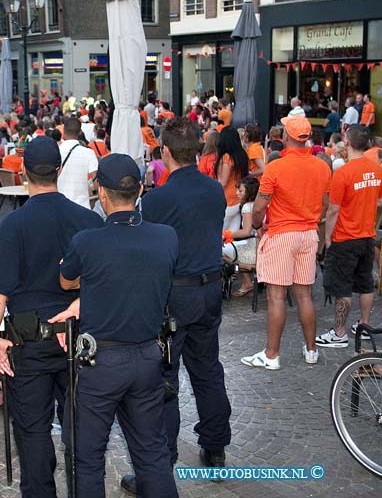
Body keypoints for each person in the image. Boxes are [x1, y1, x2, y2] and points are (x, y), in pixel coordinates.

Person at [50, 154, 178, 498]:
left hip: (101, 363)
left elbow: (66, 281)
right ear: (139, 190)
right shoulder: (166, 237)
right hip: (148, 356)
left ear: (101, 192)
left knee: (89, 457)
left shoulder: (88, 241)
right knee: (152, 453)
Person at [0, 136, 103, 497]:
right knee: (80, 431)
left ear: (23, 172)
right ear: (61, 171)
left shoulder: (14, 226)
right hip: (79, 341)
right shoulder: (88, 220)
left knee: (33, 434)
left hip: (30, 343)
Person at [122, 118, 231, 495]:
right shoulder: (215, 191)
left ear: (165, 152)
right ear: (198, 150)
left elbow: (144, 251)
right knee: (207, 370)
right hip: (210, 289)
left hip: (174, 297)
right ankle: (215, 446)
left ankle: (160, 464)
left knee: (163, 381)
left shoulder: (156, 200)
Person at [242, 115, 331, 370]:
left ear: (287, 137)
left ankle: (272, 355)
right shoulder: (322, 167)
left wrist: (258, 225)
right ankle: (311, 350)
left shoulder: (277, 167)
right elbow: (325, 206)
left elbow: (259, 207)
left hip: (282, 233)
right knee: (304, 294)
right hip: (308, 233)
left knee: (276, 296)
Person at [316, 127, 382, 348]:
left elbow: (333, 210)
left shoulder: (343, 173)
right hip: (367, 235)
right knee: (366, 283)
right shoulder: (377, 170)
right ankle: (364, 325)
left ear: (347, 142)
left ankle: (339, 333)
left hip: (345, 237)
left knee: (343, 287)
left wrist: (327, 237)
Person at [222, 176, 259, 297]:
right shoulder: (257, 205)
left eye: (240, 191)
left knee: (219, 251)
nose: (237, 193)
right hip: (257, 245)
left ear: (249, 192)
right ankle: (247, 280)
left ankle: (247, 275)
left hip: (251, 248)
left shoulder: (247, 207)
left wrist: (226, 234)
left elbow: (246, 231)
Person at [57, 117, 98, 208]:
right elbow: (96, 183)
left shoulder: (56, 152)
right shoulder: (89, 153)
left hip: (59, 207)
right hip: (82, 207)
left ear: (63, 131)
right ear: (80, 132)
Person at [216, 127, 249, 231]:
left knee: (221, 234)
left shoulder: (226, 157)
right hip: (239, 197)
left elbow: (223, 182)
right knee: (232, 235)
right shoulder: (242, 155)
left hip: (227, 199)